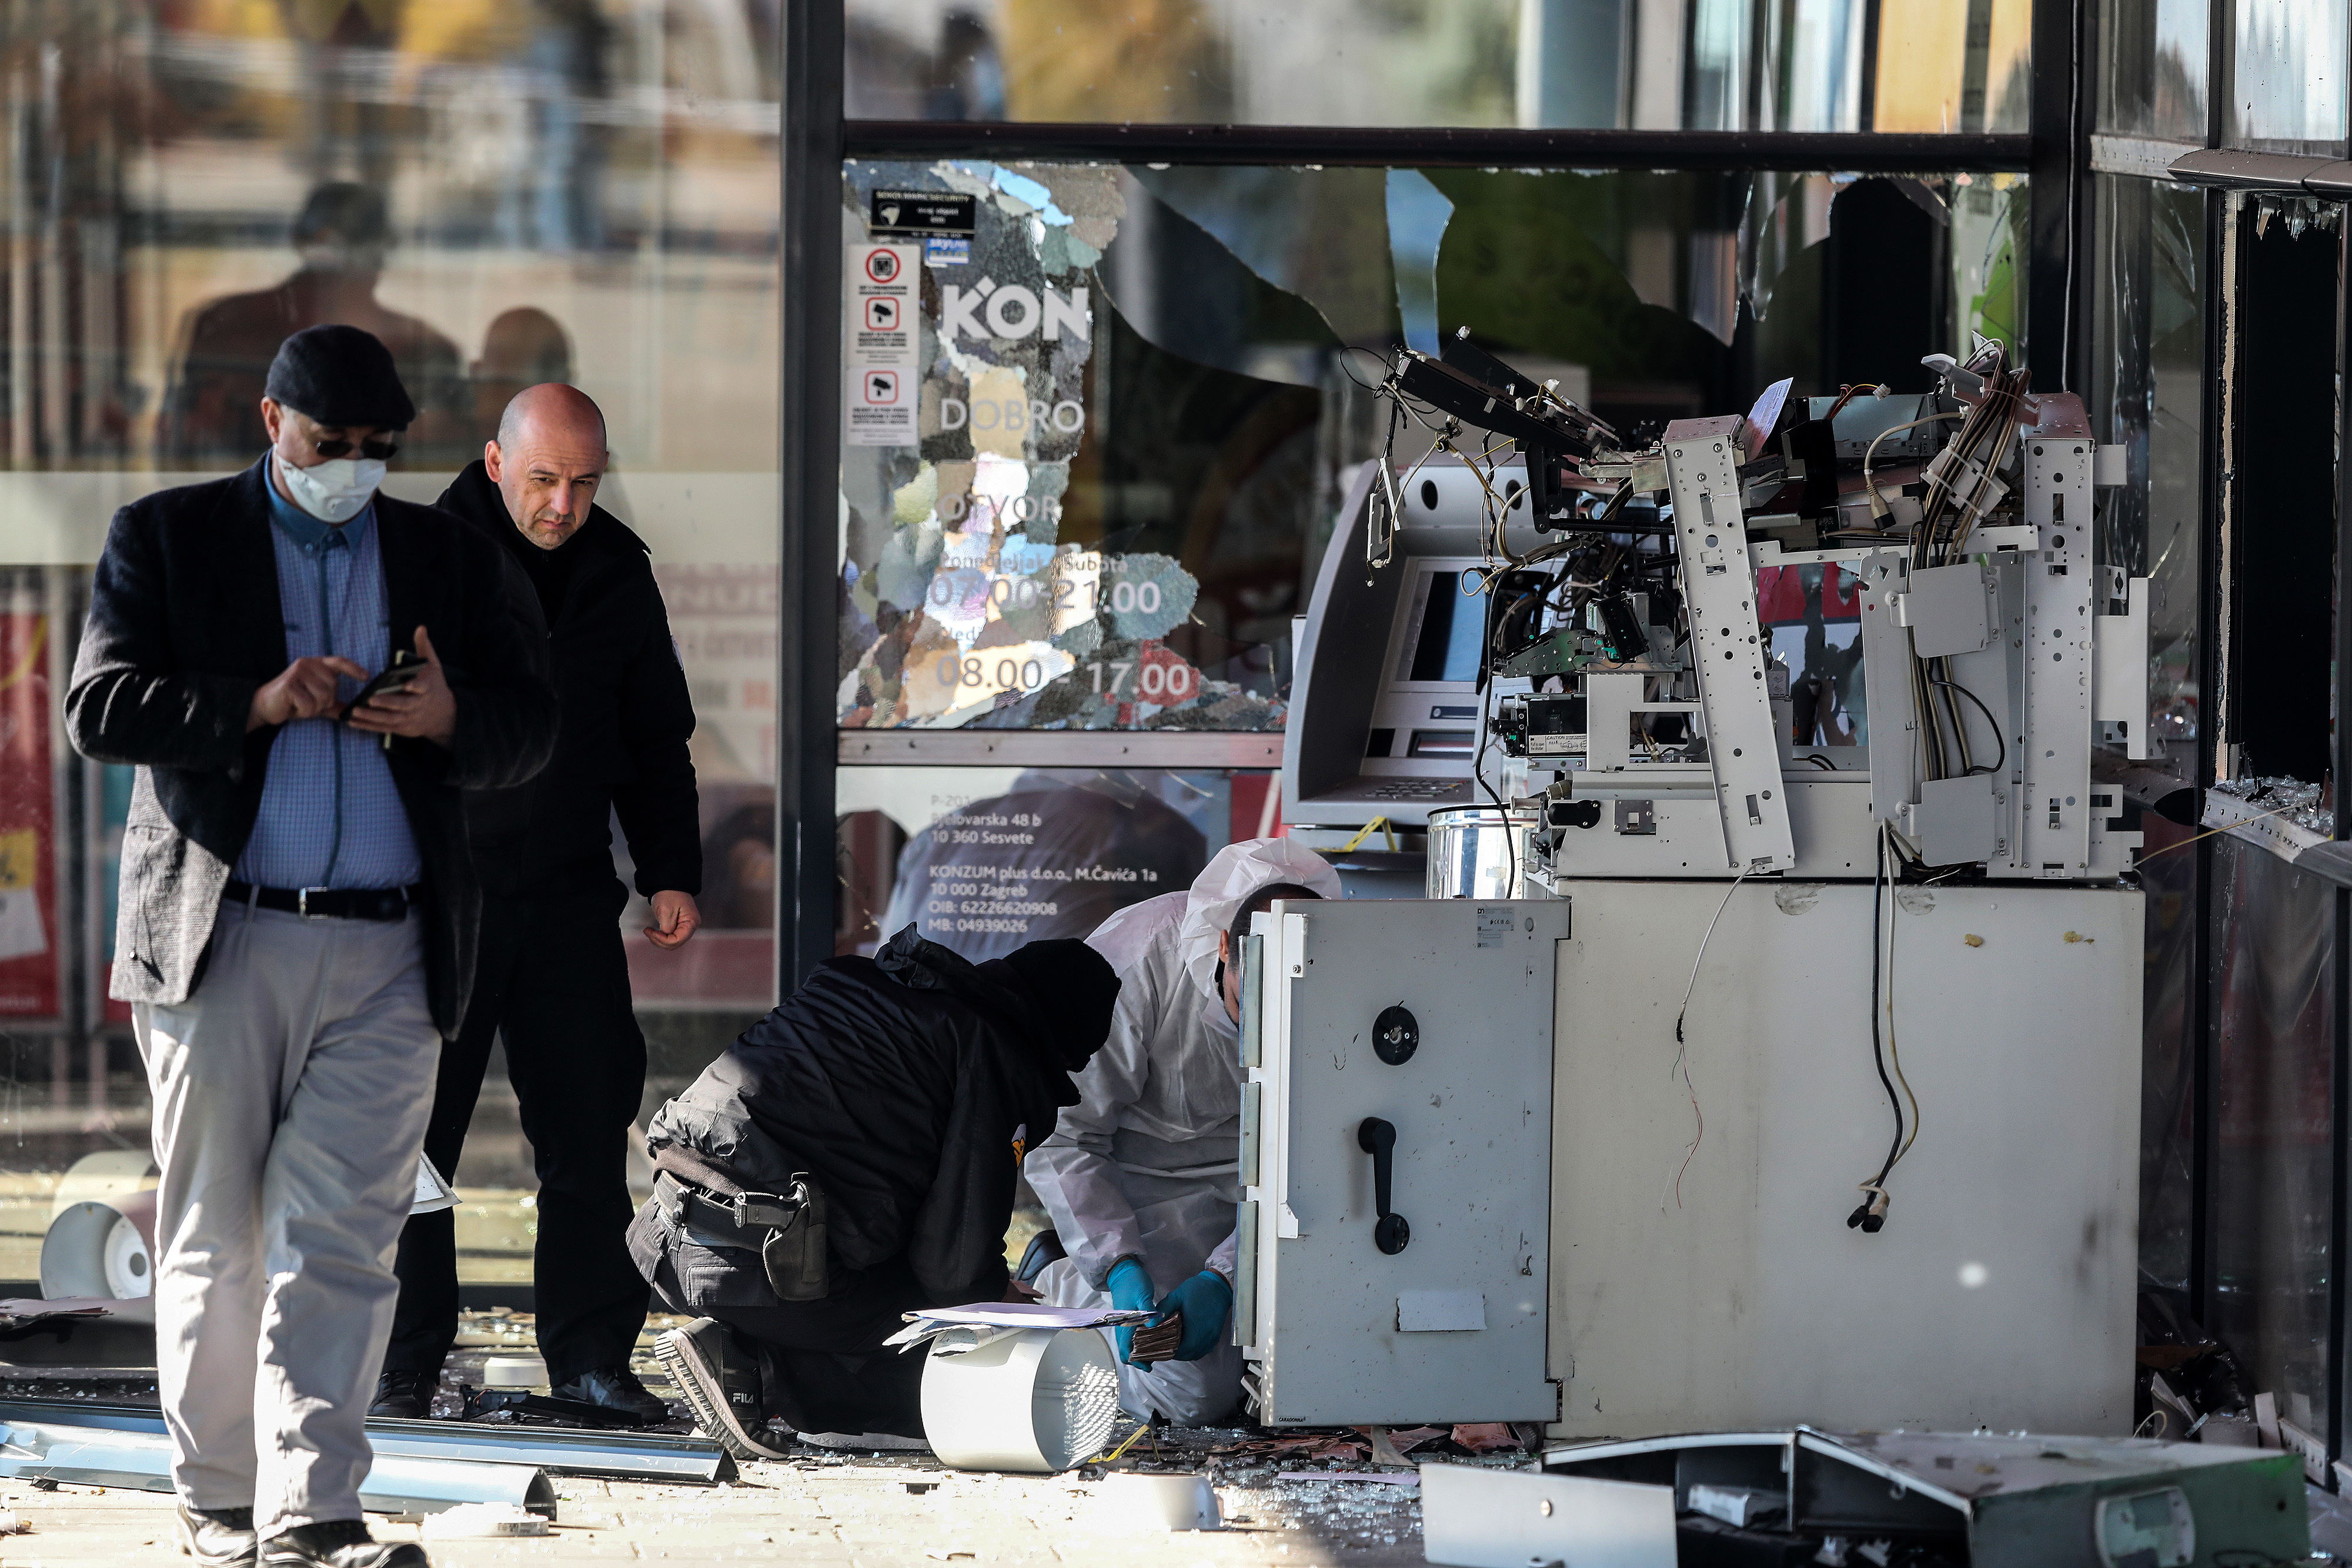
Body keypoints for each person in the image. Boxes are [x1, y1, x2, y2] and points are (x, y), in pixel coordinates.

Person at [65, 325, 557, 1568]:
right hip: (223, 938)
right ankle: (220, 1501)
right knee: (216, 1234)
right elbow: (98, 706)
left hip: (392, 946)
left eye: (376, 449)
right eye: (329, 443)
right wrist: (255, 701)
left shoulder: (444, 553)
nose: (351, 467)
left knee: (340, 1240)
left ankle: (315, 1513)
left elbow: (531, 727)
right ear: (271, 424)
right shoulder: (171, 536)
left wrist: (452, 719)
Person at [374, 383, 701, 1423]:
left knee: (587, 1128)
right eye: (545, 479)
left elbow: (656, 741)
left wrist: (671, 871)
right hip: (440, 892)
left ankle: (594, 1362)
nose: (564, 504)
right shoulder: (422, 554)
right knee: (412, 1140)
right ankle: (400, 1357)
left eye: (585, 482)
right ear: (495, 459)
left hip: (566, 894)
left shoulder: (618, 571)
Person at [631, 925, 1120, 1460]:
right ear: (1063, 1046)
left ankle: (745, 1354)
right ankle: (756, 1369)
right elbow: (951, 1263)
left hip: (665, 1228)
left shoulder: (869, 985)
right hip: (759, 1260)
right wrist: (996, 1297)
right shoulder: (991, 1053)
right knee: (937, 1329)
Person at [1024, 837, 1341, 1425]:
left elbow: (1318, 1152)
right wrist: (1117, 1263)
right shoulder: (1137, 960)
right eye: (1248, 1005)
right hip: (1139, 1184)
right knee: (1192, 1395)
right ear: (1224, 945)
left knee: (1328, 1376)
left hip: (1283, 1190)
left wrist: (1225, 1274)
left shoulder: (1343, 975)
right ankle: (1067, 1282)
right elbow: (1066, 1134)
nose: (1260, 1039)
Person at [158, 183, 467, 469]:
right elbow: (182, 446)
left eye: (358, 249)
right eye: (331, 249)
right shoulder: (231, 327)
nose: (342, 265)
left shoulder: (422, 349)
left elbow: (437, 463)